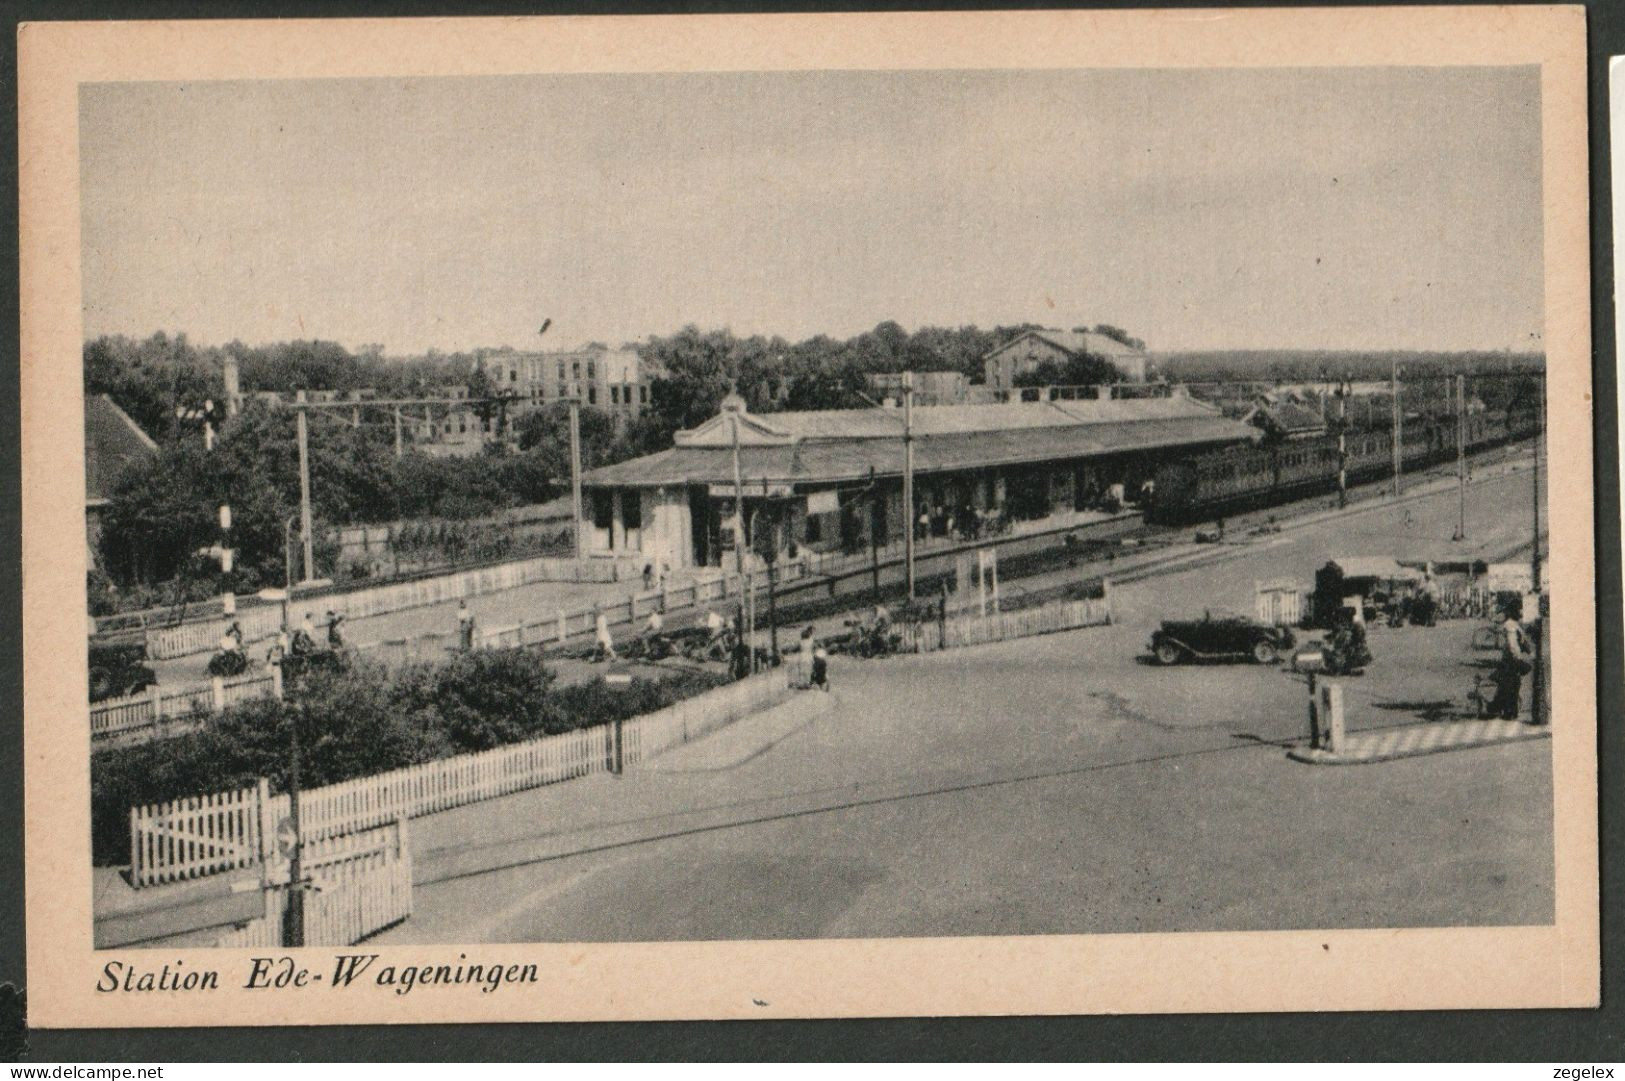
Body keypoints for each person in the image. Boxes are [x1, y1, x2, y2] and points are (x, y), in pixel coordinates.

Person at [1489, 605, 1531, 720]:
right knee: (1511, 686)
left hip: (1510, 659)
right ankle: (1509, 712)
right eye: (1519, 612)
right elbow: (1512, 644)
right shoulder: (1511, 625)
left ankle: (1507, 711)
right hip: (1511, 660)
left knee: (1509, 686)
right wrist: (1517, 658)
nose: (1521, 614)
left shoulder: (1511, 624)